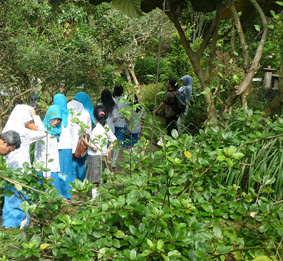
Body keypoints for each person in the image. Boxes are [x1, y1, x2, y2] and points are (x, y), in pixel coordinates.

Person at [2, 104, 46, 228]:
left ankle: (9, 223)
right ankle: (22, 223)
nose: (29, 122)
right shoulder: (22, 132)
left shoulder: (7, 129)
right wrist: (35, 116)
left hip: (9, 171)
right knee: (22, 199)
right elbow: (43, 132)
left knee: (11, 198)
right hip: (23, 172)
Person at [84, 105, 116, 199]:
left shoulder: (95, 130)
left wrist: (86, 142)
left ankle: (95, 199)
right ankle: (101, 198)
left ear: (94, 116)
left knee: (94, 180)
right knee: (102, 178)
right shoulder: (106, 127)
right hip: (102, 156)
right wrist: (108, 150)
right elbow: (114, 140)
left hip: (94, 157)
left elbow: (94, 148)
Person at [34, 105, 62, 193]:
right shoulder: (44, 133)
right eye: (54, 118)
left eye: (58, 119)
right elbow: (43, 153)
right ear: (49, 116)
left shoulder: (55, 132)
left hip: (52, 167)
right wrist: (47, 173)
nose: (56, 122)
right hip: (45, 169)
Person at [67, 92, 93, 182]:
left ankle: (73, 183)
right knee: (81, 163)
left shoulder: (68, 111)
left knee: (72, 163)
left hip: (69, 144)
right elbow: (88, 131)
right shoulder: (85, 113)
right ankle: (81, 182)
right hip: (82, 144)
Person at [53, 94, 73, 199]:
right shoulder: (69, 115)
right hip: (68, 146)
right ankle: (67, 194)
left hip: (58, 146)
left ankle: (59, 194)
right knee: (67, 170)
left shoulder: (54, 114)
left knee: (58, 170)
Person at [112, 85, 127, 168]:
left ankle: (109, 160)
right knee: (117, 145)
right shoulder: (125, 102)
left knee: (111, 143)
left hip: (113, 125)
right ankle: (113, 162)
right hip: (121, 125)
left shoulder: (112, 101)